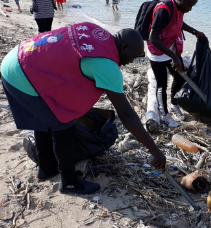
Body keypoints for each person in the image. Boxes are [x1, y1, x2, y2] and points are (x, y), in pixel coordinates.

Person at [0, 22, 166, 194]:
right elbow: (126, 114)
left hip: (20, 55)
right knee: (62, 123)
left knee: (45, 117)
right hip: (22, 73)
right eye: (133, 57)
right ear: (124, 47)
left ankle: (46, 167)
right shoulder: (106, 65)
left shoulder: (95, 31)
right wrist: (155, 150)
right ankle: (70, 182)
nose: (131, 62)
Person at [147, 0, 206, 127]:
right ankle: (164, 116)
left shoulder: (179, 7)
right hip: (158, 52)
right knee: (161, 85)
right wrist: (174, 57)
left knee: (180, 77)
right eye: (189, 6)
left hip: (170, 47)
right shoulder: (163, 10)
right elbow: (153, 37)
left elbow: (178, 23)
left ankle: (173, 105)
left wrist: (194, 31)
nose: (190, 9)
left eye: (192, 6)